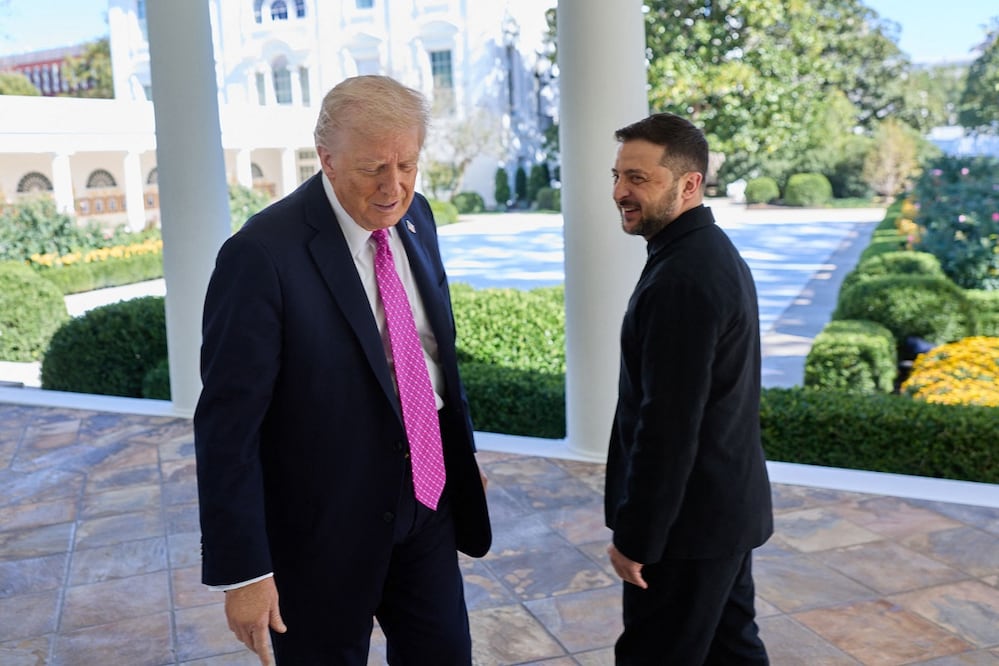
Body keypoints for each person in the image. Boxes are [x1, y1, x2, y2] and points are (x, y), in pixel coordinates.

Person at [193, 75, 491, 665]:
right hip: (322, 526)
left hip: (427, 496)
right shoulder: (260, 254)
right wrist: (244, 571)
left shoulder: (417, 217)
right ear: (326, 158)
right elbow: (228, 426)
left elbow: (433, 356)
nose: (393, 186)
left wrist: (461, 452)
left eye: (407, 164)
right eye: (373, 167)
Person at [604, 112, 773, 665]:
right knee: (732, 653)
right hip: (721, 514)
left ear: (689, 184)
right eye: (618, 176)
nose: (620, 192)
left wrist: (637, 538)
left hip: (687, 530)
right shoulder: (704, 252)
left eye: (638, 178)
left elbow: (668, 428)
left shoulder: (683, 276)